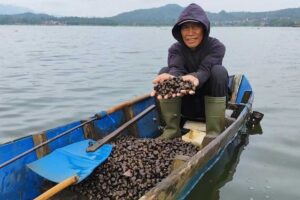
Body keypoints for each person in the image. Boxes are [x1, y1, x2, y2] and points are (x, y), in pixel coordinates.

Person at [151, 3, 229, 139]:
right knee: (164, 72)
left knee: (219, 71)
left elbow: (206, 70)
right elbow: (176, 68)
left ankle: (214, 132)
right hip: (185, 104)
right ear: (179, 31)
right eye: (185, 28)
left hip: (209, 105)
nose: (190, 33)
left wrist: (195, 78)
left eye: (196, 27)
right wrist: (172, 78)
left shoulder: (216, 47)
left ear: (204, 28)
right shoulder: (175, 49)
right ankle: (170, 129)